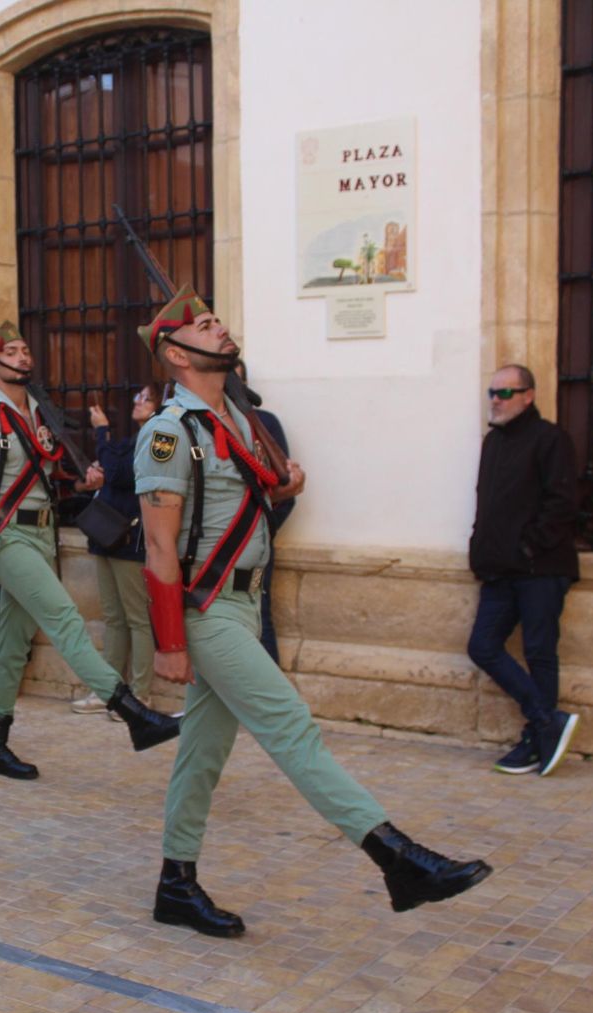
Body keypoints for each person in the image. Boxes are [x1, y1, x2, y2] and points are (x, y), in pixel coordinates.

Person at [133, 284, 491, 937]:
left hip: (245, 600)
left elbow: (245, 504)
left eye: (218, 320)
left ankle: (174, 885)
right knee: (291, 725)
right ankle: (396, 858)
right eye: (205, 326)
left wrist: (284, 484)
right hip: (205, 608)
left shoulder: (236, 422)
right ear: (175, 355)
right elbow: (159, 545)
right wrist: (169, 642)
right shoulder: (167, 433)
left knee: (202, 753)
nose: (220, 330)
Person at [0, 319, 179, 779]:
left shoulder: (38, 415)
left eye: (24, 350)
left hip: (40, 534)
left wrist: (82, 481)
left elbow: (44, 481)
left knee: (14, 644)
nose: (22, 358)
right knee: (65, 619)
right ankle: (133, 713)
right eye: (11, 352)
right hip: (7, 536)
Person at [467, 363, 581, 776]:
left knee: (539, 652)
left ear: (528, 395)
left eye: (505, 393)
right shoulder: (493, 444)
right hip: (498, 570)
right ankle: (547, 721)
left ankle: (537, 737)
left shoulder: (551, 439)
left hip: (540, 569)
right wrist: (479, 548)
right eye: (492, 393)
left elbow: (562, 505)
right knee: (482, 646)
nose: (495, 400)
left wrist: (529, 547)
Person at [75, 387, 157, 715]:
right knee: (114, 618)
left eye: (145, 398)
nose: (137, 402)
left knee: (137, 619)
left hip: (130, 537)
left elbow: (122, 474)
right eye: (137, 397)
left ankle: (141, 695)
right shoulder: (131, 439)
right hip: (107, 534)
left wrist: (101, 430)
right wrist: (98, 465)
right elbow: (111, 466)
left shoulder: (154, 438)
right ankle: (109, 691)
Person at [234, 361, 296, 663]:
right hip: (212, 554)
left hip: (251, 549)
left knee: (255, 610)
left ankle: (271, 705)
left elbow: (287, 490)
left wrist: (258, 533)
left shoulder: (264, 424)